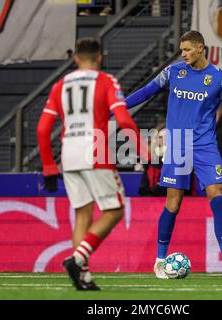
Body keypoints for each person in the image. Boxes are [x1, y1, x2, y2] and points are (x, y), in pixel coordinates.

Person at [125, 30, 222, 280]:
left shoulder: (221, 79)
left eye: (187, 49)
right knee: (173, 203)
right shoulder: (173, 72)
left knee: (216, 194)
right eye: (181, 50)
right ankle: (159, 261)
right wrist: (118, 108)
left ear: (201, 48)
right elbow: (146, 92)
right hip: (177, 144)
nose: (183, 54)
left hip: (205, 145)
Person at [37, 37, 147, 291]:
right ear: (100, 57)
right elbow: (123, 119)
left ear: (75, 58)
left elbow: (43, 129)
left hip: (69, 153)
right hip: (94, 149)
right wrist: (142, 149)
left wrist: (48, 166)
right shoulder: (106, 81)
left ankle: (83, 276)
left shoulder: (60, 85)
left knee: (82, 214)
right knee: (115, 210)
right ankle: (78, 259)